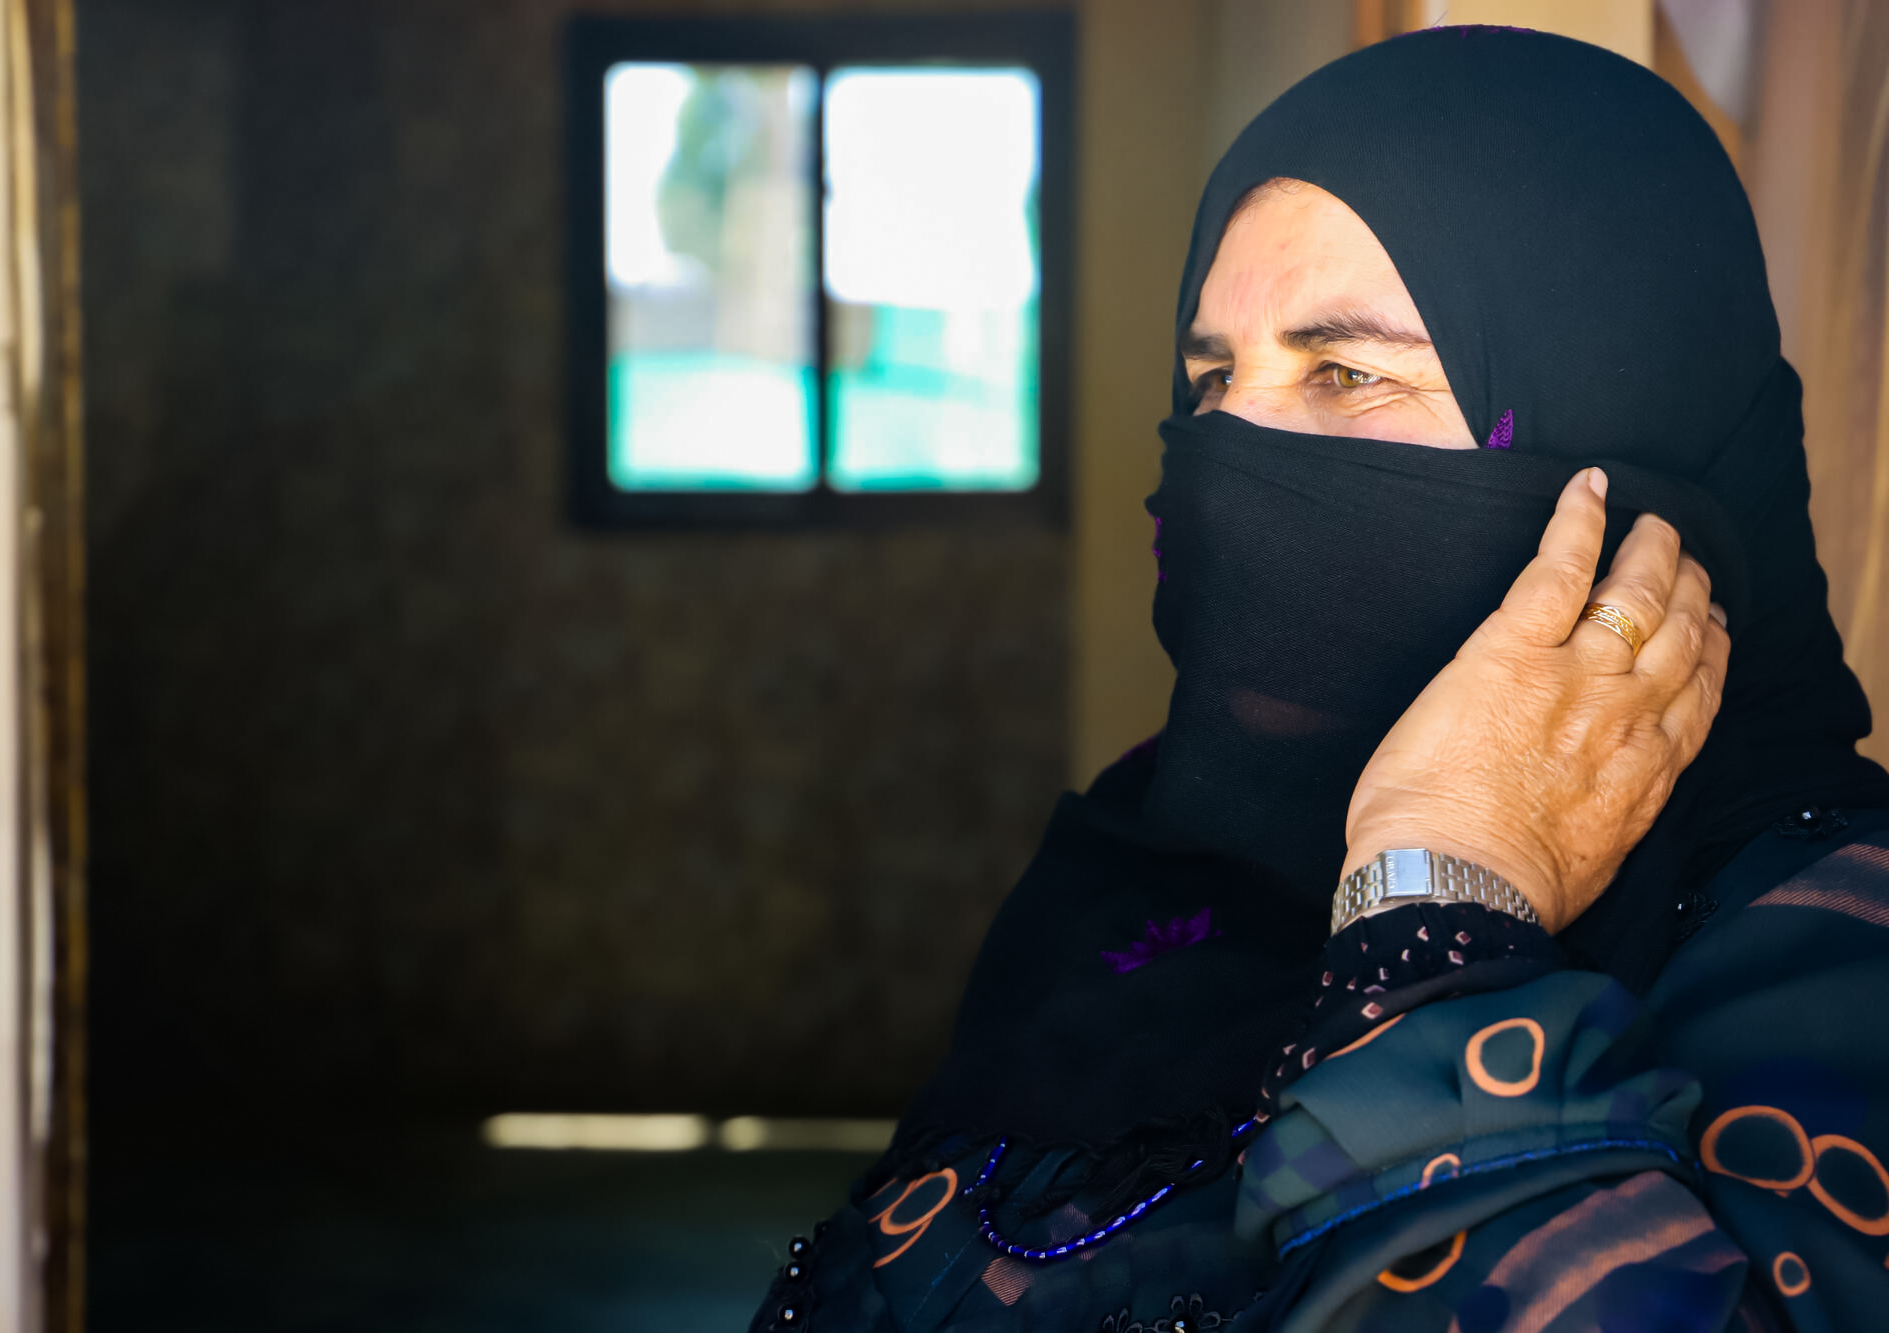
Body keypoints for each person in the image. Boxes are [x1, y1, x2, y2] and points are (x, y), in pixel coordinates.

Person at [751, 27, 1889, 1332]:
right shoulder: (1141, 868)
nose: (1228, 460)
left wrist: (1442, 900)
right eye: (1212, 380)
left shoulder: (1837, 954)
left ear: (1624, 413)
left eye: (1345, 373)